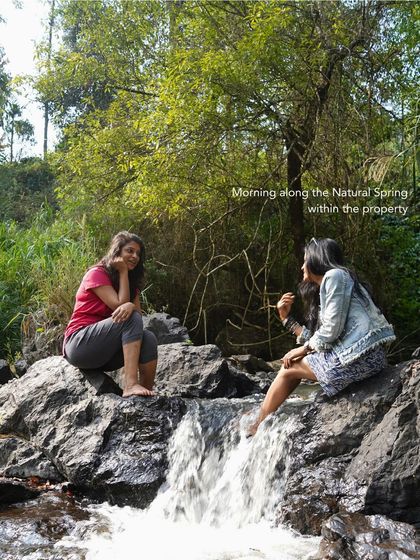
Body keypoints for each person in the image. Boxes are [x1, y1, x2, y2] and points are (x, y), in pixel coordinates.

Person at [250, 237, 395, 434]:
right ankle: (260, 422)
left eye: (305, 260)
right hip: (367, 359)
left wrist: (301, 350)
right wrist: (286, 319)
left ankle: (257, 426)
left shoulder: (335, 276)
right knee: (294, 363)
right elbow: (321, 337)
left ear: (316, 259)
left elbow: (330, 331)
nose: (302, 266)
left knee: (288, 367)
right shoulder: (337, 283)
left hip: (358, 359)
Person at [63, 231, 158, 397]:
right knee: (130, 316)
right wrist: (122, 272)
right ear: (117, 252)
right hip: (79, 345)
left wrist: (127, 285)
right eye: (129, 250)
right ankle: (130, 385)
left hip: (103, 353)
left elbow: (137, 318)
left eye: (138, 253)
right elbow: (120, 307)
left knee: (148, 338)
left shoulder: (131, 284)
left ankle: (144, 397)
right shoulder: (97, 273)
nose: (135, 256)